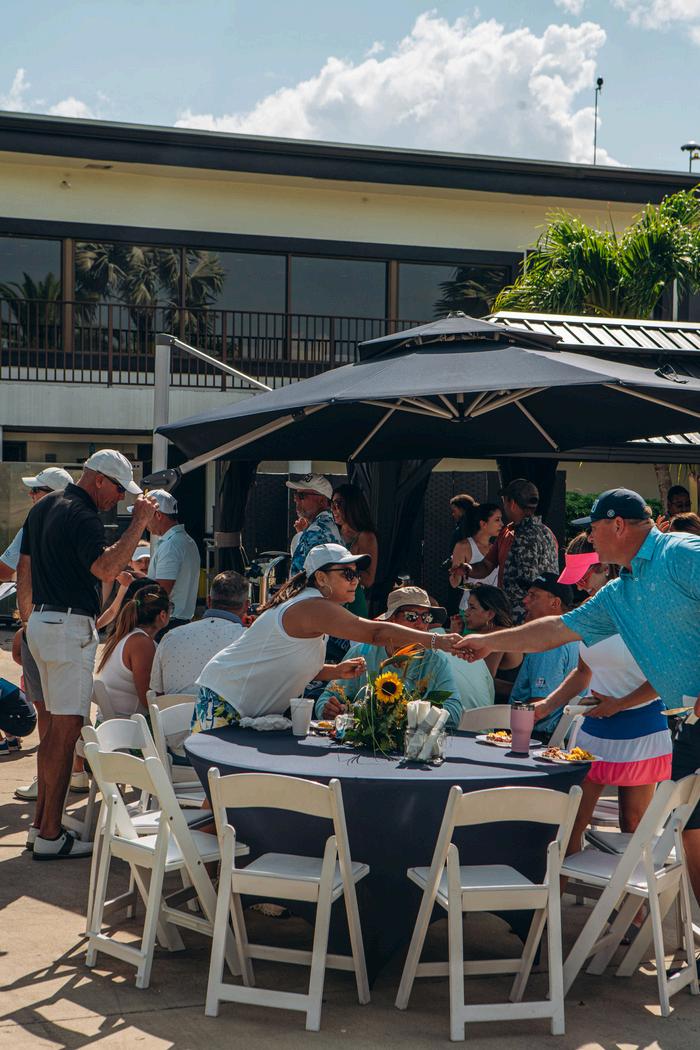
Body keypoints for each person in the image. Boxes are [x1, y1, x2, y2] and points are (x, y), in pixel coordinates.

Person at [456, 488, 700, 931]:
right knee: (692, 832)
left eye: (593, 529)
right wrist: (488, 641)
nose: (589, 539)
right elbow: (556, 629)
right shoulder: (620, 592)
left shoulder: (680, 552)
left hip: (666, 723)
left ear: (618, 525)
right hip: (686, 722)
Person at [17, 448, 158, 860]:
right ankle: (49, 834)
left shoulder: (43, 508)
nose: (120, 497)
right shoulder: (84, 515)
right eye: (118, 488)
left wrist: (27, 621)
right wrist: (140, 521)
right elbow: (106, 569)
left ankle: (41, 827)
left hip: (42, 623)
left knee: (54, 732)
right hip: (68, 627)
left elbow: (24, 568)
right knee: (66, 732)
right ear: (99, 480)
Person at [192, 543, 463, 731]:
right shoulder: (313, 606)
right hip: (227, 700)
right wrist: (437, 640)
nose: (355, 580)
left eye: (356, 574)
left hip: (238, 701)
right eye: (347, 574)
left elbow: (287, 662)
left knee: (232, 789)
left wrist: (334, 671)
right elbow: (375, 632)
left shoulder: (313, 605)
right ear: (321, 578)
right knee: (222, 789)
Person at [531, 534, 671, 853]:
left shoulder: (641, 610)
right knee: (572, 822)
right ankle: (558, 886)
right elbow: (583, 673)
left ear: (604, 567)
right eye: (574, 578)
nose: (579, 585)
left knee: (633, 825)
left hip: (642, 726)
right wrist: (546, 705)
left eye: (583, 576)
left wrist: (619, 704)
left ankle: (628, 889)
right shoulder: (586, 612)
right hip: (595, 727)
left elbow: (664, 677)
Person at [0, 468, 72, 776]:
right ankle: (74, 771)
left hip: (41, 621)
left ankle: (47, 776)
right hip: (74, 623)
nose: (31, 495)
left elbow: (4, 570)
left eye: (37, 490)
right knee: (70, 705)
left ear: (51, 495)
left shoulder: (35, 523)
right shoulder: (79, 524)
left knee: (44, 704)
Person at [315, 586, 465, 727]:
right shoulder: (363, 653)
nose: (420, 624)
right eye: (411, 616)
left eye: (426, 617)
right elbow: (327, 697)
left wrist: (408, 715)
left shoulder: (435, 660)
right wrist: (329, 710)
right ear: (391, 620)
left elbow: (454, 710)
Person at [466, 478, 558, 622]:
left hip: (521, 616)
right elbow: (487, 565)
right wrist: (466, 569)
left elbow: (525, 584)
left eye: (505, 501)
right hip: (543, 616)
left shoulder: (522, 535)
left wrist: (493, 598)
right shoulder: (547, 532)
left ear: (513, 504)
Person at [150, 571, 249, 696]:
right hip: (222, 708)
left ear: (209, 601)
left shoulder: (171, 636)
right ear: (246, 605)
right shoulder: (248, 639)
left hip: (172, 709)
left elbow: (157, 693)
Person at [508, 573, 579, 741]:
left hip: (535, 740)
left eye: (533, 596)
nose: (525, 600)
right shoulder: (572, 634)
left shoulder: (549, 643)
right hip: (558, 738)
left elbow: (540, 703)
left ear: (555, 603)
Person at [95, 586, 171, 717]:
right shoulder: (141, 643)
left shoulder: (125, 635)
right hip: (129, 725)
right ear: (163, 615)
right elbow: (149, 700)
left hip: (113, 723)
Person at [143, 489, 201, 635]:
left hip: (166, 624)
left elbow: (160, 593)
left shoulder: (171, 545)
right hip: (178, 622)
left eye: (145, 514)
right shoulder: (186, 540)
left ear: (158, 515)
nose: (142, 521)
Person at [460, 584, 523, 701]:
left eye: (472, 608)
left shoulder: (498, 636)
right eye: (467, 606)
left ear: (490, 614)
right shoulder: (485, 635)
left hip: (503, 706)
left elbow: (484, 680)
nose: (466, 612)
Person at [330, 483, 378, 616]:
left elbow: (368, 580)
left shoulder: (365, 537)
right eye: (331, 504)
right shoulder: (331, 532)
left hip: (352, 602)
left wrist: (342, 571)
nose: (333, 509)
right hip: (330, 601)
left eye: (338, 504)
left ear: (352, 505)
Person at [449, 502, 502, 611]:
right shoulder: (463, 546)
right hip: (470, 610)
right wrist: (456, 572)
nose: (502, 524)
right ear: (483, 524)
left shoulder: (496, 548)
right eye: (497, 520)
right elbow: (454, 583)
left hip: (493, 610)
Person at [288, 473, 340, 575]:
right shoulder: (332, 523)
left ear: (322, 500)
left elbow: (297, 576)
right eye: (296, 495)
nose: (296, 499)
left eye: (302, 496)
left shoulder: (317, 530)